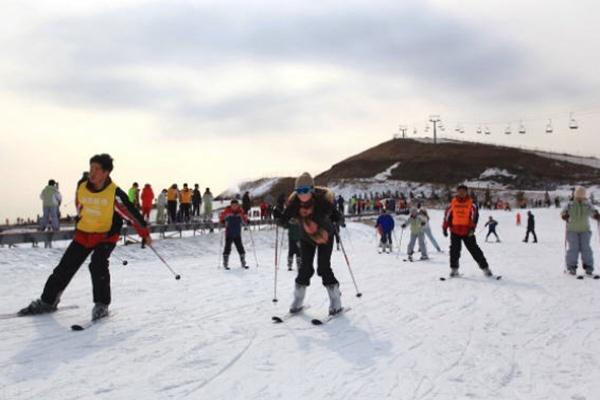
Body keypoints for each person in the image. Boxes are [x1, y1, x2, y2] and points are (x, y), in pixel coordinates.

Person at [18, 154, 151, 320]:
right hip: (85, 233)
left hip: (106, 236)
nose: (92, 173)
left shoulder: (114, 194)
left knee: (98, 264)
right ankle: (48, 301)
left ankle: (101, 305)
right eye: (91, 168)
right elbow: (80, 204)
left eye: (97, 170)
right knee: (65, 267)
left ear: (106, 173)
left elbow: (131, 213)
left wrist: (144, 233)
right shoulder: (82, 185)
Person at [278, 173, 343, 316]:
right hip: (307, 238)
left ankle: (335, 299)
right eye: (299, 191)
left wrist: (337, 218)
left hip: (325, 236)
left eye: (305, 190)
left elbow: (336, 214)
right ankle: (298, 300)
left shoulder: (321, 201)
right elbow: (284, 219)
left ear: (312, 190)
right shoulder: (294, 203)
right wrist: (279, 217)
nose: (302, 194)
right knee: (305, 268)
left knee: (323, 267)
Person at [443, 184, 494, 277]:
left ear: (466, 192)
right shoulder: (453, 202)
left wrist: (472, 228)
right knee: (454, 251)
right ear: (457, 192)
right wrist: (445, 227)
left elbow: (475, 217)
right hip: (455, 231)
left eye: (463, 191)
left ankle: (485, 268)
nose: (461, 193)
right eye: (459, 191)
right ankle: (454, 270)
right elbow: (447, 216)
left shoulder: (472, 203)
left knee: (474, 250)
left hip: (467, 231)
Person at [561, 187, 600, 275]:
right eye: (578, 196)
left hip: (585, 230)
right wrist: (564, 216)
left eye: (581, 196)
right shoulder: (570, 204)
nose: (579, 198)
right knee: (573, 249)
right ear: (575, 195)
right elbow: (563, 213)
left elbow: (592, 212)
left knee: (586, 249)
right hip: (572, 230)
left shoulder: (587, 204)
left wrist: (596, 215)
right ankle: (571, 267)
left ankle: (588, 266)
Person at [219, 199, 249, 269]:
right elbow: (221, 218)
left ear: (238, 205)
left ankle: (243, 262)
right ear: (231, 205)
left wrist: (247, 221)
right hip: (229, 233)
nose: (234, 207)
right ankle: (225, 263)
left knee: (240, 248)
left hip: (237, 233)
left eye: (236, 205)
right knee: (227, 248)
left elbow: (244, 220)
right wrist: (223, 220)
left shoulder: (240, 212)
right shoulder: (227, 211)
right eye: (233, 205)